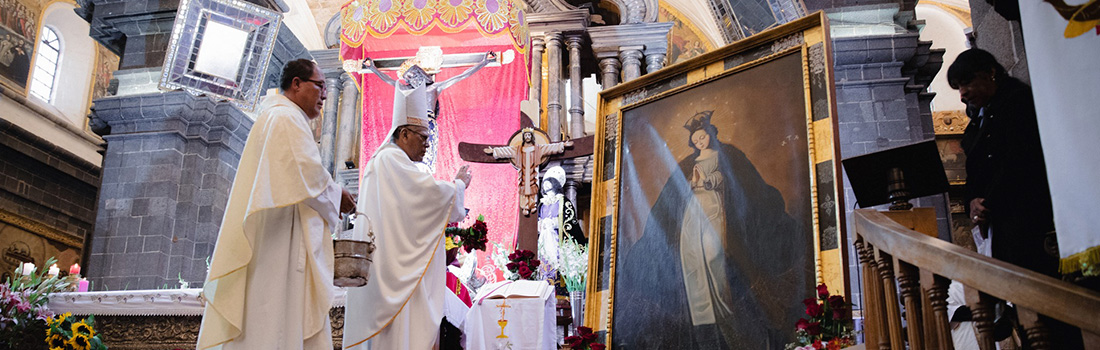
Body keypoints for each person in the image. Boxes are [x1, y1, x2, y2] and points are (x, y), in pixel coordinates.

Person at [196, 59, 356, 350]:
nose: (324, 94)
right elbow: (306, 172)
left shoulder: (280, 116)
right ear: (296, 84)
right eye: (320, 86)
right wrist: (338, 195)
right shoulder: (285, 118)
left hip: (280, 238)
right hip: (280, 243)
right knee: (274, 319)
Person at [342, 101, 473, 349]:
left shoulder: (383, 162)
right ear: (404, 134)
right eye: (423, 137)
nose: (427, 145)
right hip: (393, 275)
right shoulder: (391, 159)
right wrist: (458, 185)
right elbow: (424, 197)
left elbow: (409, 215)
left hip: (392, 270)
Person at [949, 49, 1058, 277]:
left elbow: (1018, 160)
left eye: (967, 83)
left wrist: (987, 202)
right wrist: (972, 201)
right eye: (958, 87)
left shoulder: (1017, 102)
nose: (963, 94)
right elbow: (975, 168)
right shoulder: (979, 118)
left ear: (990, 72)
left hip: (1026, 215)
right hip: (1000, 221)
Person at [360, 50, 496, 169]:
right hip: (412, 124)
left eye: (415, 74)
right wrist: (373, 68)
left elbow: (461, 76)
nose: (414, 78)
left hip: (428, 124)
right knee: (409, 154)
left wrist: (484, 62)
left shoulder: (434, 88)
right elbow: (389, 80)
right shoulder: (407, 89)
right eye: (410, 77)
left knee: (426, 156)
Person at [484, 129, 571, 215]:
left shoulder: (538, 149)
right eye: (526, 135)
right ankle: (525, 206)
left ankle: (533, 205)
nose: (527, 137)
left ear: (532, 137)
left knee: (533, 187)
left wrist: (562, 145)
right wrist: (494, 151)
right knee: (524, 188)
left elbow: (549, 148)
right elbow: (507, 151)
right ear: (523, 137)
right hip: (524, 173)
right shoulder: (518, 150)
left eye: (529, 135)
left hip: (533, 172)